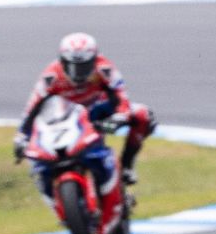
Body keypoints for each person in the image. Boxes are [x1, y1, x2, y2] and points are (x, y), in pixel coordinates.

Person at [14, 32, 154, 184]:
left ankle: (126, 166)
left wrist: (120, 117)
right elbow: (32, 106)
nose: (78, 73)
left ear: (94, 60)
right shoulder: (51, 76)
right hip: (65, 119)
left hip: (98, 113)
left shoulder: (104, 68)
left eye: (84, 67)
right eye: (72, 67)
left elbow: (121, 95)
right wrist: (22, 136)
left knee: (142, 114)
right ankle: (49, 182)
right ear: (62, 62)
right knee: (39, 152)